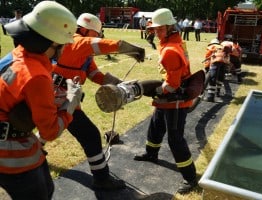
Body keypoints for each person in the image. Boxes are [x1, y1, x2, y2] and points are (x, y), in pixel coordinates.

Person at [51, 13, 145, 190]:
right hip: (59, 97)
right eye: (96, 33)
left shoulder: (82, 51)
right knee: (90, 135)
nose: (97, 37)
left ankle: (37, 149)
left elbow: (95, 75)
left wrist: (120, 85)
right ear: (85, 29)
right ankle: (102, 179)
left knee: (43, 124)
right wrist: (131, 49)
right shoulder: (76, 41)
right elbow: (98, 45)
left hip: (59, 95)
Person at [0, 1, 81, 200]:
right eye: (62, 45)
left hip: (14, 141)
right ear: (50, 43)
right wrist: (71, 102)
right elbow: (50, 131)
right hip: (12, 152)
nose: (64, 49)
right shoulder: (37, 77)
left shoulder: (16, 56)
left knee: (47, 187)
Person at [133, 8, 199, 194]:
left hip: (176, 97)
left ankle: (190, 177)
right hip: (170, 94)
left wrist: (158, 91)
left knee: (175, 138)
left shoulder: (170, 49)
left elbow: (173, 82)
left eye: (160, 29)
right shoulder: (172, 40)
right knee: (156, 124)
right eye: (155, 29)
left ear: (170, 27)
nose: (156, 32)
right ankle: (151, 153)